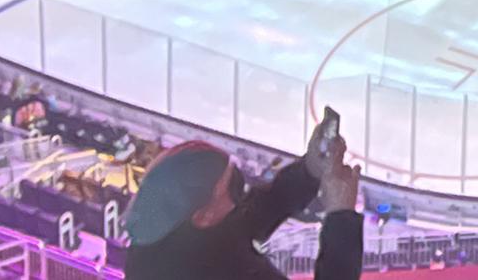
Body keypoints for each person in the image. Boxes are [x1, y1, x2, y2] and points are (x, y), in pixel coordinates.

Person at [123, 116, 361, 280]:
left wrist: (309, 171)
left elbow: (248, 217)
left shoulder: (166, 232)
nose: (242, 196)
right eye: (234, 188)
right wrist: (341, 216)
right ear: (204, 216)